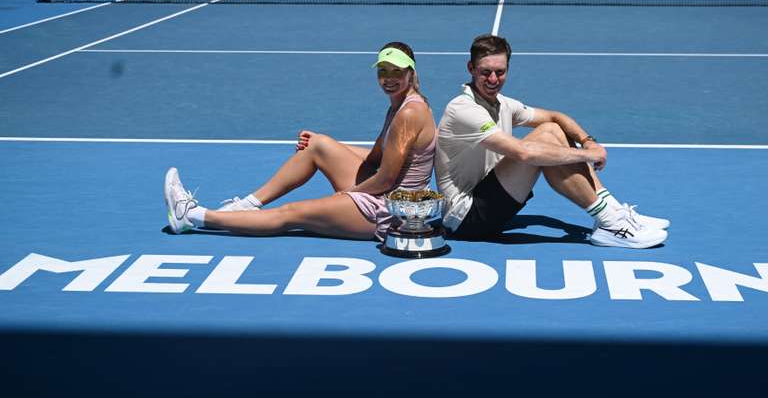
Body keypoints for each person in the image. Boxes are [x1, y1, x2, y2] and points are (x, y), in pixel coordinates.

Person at [164, 41, 436, 242]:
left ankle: (193, 216)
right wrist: (324, 142)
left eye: (396, 72)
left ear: (411, 73)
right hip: (382, 193)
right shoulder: (398, 105)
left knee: (291, 214)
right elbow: (377, 157)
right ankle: (245, 205)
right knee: (318, 145)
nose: (388, 79)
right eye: (382, 71)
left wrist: (346, 196)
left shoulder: (409, 113)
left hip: (389, 210)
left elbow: (386, 178)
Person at [435, 34, 669, 248]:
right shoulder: (463, 109)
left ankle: (613, 211)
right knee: (544, 139)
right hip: (466, 219)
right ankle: (609, 221)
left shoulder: (503, 104)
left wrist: (588, 141)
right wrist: (588, 155)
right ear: (471, 69)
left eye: (501, 71)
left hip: (489, 202)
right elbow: (524, 154)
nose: (493, 79)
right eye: (486, 72)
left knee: (552, 129)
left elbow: (555, 116)